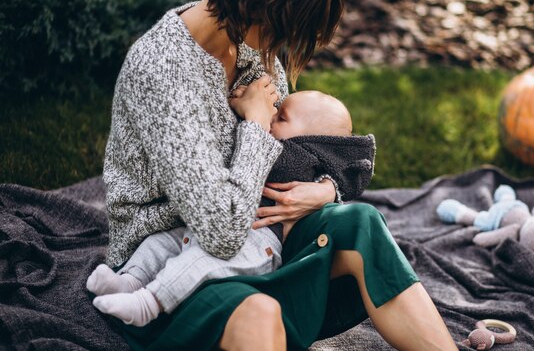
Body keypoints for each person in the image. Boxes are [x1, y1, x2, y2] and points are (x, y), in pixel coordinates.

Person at [100, 0, 458, 350]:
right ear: (254, 6)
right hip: (166, 272)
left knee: (361, 224)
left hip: (262, 242)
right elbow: (220, 233)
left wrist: (326, 190)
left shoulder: (252, 46)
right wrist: (254, 121)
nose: (283, 45)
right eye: (284, 28)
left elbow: (298, 148)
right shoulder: (163, 71)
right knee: (259, 312)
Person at [87, 91, 375, 327]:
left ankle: (147, 304)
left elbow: (356, 167)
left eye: (282, 116)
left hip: (256, 243)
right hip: (216, 224)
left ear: (313, 141)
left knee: (197, 263)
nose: (272, 116)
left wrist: (253, 115)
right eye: (275, 110)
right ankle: (129, 280)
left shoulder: (294, 158)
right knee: (161, 242)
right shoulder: (293, 148)